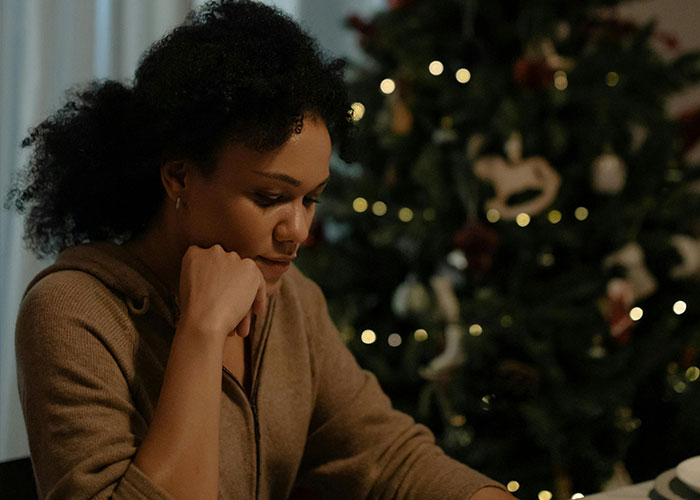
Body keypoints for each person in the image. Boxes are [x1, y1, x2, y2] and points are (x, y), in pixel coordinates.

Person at [7, 1, 517, 498]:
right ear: (179, 177)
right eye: (270, 197)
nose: (296, 230)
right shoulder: (73, 313)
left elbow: (386, 458)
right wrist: (201, 331)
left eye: (311, 199)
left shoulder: (293, 301)